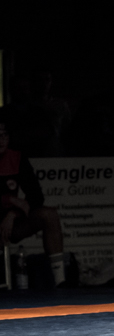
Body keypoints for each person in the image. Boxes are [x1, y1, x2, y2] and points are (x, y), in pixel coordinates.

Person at [0, 121, 67, 287]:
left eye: (4, 135)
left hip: (11, 222)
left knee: (49, 215)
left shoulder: (16, 158)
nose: (1, 140)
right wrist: (10, 200)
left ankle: (60, 281)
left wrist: (13, 213)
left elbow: (36, 196)